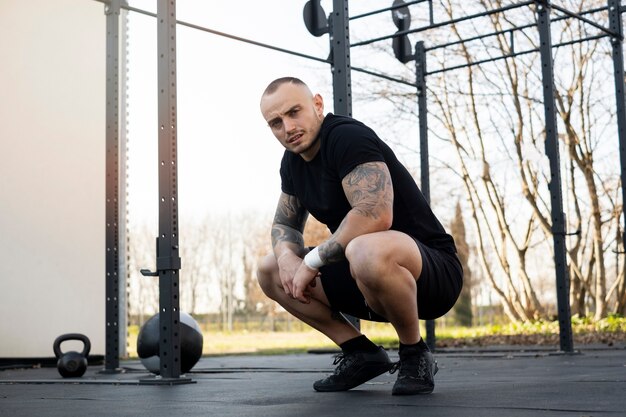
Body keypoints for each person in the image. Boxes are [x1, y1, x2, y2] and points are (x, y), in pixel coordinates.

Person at [257, 77, 463, 396]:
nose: (288, 127)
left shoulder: (346, 136)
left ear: (318, 105)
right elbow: (285, 225)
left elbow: (375, 213)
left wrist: (310, 261)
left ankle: (414, 352)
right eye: (276, 122)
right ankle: (360, 353)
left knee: (364, 248)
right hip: (363, 275)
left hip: (432, 273)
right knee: (269, 268)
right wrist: (287, 257)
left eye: (294, 112)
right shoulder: (293, 163)